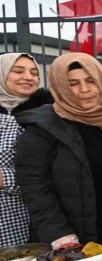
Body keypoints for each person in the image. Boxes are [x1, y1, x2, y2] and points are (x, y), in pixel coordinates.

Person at [15, 53, 102, 249]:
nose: (85, 90)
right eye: (73, 83)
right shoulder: (43, 127)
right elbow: (35, 187)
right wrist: (60, 235)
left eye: (90, 80)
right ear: (60, 87)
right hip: (74, 238)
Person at [0, 53, 53, 246]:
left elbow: (55, 168)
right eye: (18, 71)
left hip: (27, 216)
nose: (28, 77)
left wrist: (5, 179)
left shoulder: (47, 114)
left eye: (34, 72)